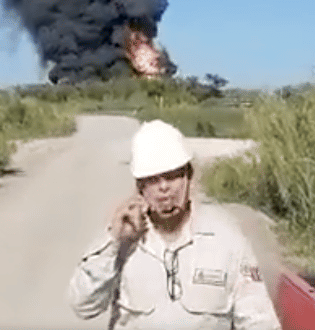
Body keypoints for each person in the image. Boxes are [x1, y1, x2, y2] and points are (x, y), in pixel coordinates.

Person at [67, 119, 282, 329]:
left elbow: (258, 319)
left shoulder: (227, 238)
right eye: (153, 179)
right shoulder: (122, 239)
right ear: (140, 187)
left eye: (172, 177)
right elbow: (84, 306)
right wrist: (113, 242)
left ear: (189, 177)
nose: (164, 189)